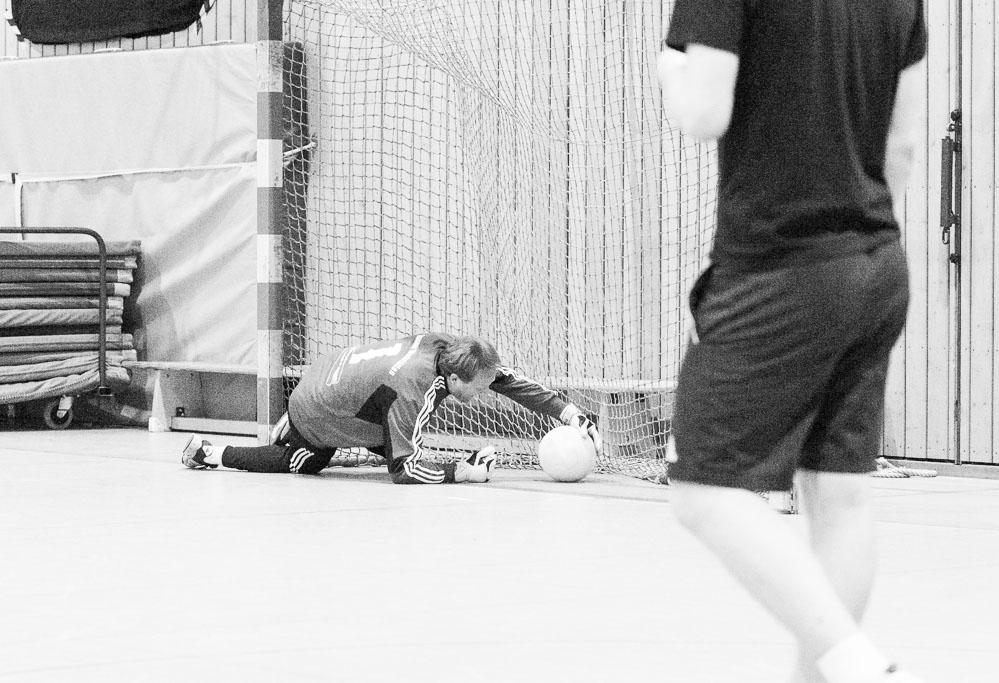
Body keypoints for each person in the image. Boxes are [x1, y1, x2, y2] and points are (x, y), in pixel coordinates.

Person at [657, 2, 926, 683]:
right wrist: (857, 243)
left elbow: (702, 113)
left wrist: (668, 68)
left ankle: (854, 663)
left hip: (779, 267)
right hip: (877, 262)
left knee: (702, 491)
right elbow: (902, 147)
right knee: (839, 495)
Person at [181, 333, 602, 484]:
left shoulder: (448, 348)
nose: (484, 394)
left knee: (397, 439)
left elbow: (504, 379)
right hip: (317, 404)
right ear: (456, 381)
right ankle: (209, 452)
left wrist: (569, 413)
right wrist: (463, 471)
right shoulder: (413, 389)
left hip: (330, 373)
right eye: (478, 390)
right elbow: (403, 471)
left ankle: (295, 423)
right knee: (306, 461)